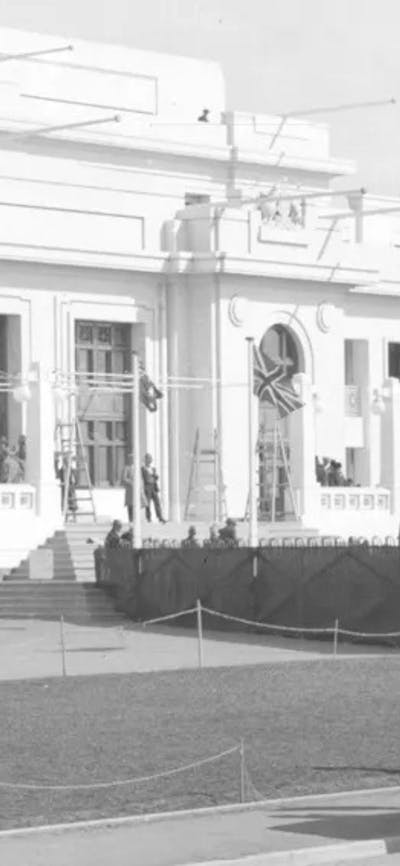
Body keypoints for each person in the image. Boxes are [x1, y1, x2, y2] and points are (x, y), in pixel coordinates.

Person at [141, 453, 166, 523]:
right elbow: (144, 478)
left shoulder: (153, 468)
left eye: (150, 459)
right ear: (145, 460)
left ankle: (160, 517)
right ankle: (148, 517)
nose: (149, 460)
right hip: (147, 486)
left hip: (153, 486)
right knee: (148, 503)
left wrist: (155, 476)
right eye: (148, 459)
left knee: (157, 502)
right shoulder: (143, 468)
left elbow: (156, 477)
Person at [122, 454, 134, 522]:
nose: (132, 460)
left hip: (137, 490)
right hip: (130, 490)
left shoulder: (136, 468)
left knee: (136, 505)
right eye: (131, 458)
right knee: (130, 506)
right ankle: (131, 520)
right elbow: (124, 478)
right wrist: (131, 482)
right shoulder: (126, 468)